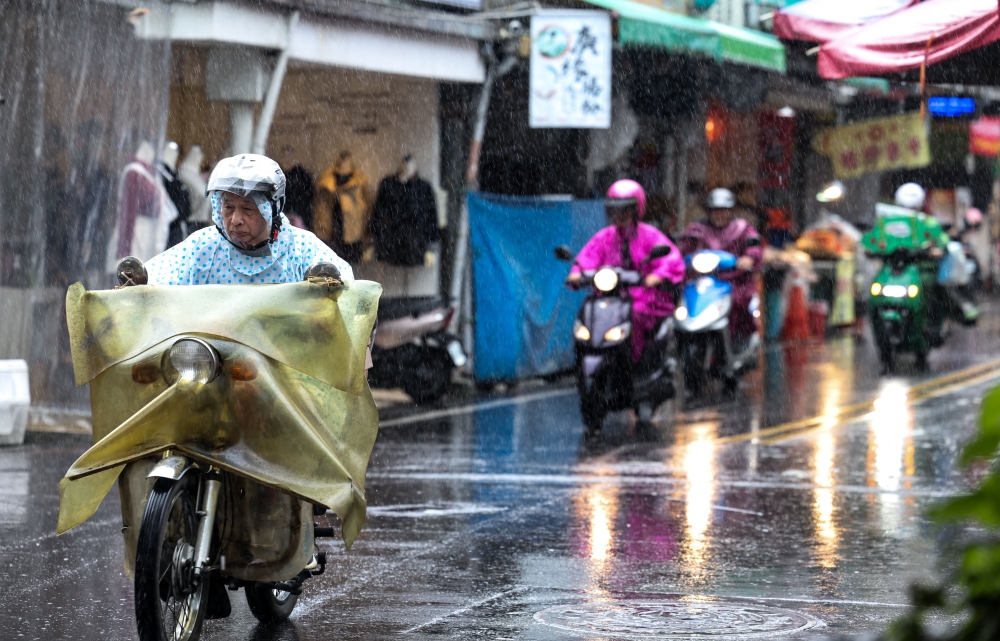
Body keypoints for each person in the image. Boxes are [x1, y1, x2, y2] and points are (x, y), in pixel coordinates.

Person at [144, 154, 352, 286]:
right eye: (228, 207)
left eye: (247, 209)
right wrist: (138, 281)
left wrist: (329, 283)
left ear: (273, 207)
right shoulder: (204, 246)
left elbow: (347, 291)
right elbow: (154, 279)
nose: (235, 220)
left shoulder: (301, 248)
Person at [568, 179, 685, 363]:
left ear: (636, 210)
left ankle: (632, 363)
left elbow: (670, 258)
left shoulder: (650, 235)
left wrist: (657, 276)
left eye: (626, 209)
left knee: (634, 316)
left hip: (645, 298)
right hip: (608, 298)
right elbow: (587, 258)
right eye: (615, 210)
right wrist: (577, 273)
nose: (620, 215)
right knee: (588, 315)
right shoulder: (604, 237)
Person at [678, 188, 763, 345]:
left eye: (724, 211)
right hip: (703, 281)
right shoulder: (697, 229)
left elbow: (754, 247)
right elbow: (683, 248)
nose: (720, 215)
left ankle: (739, 342)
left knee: (739, 305)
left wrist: (749, 258)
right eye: (715, 211)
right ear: (709, 212)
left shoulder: (742, 228)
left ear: (730, 211)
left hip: (734, 280)